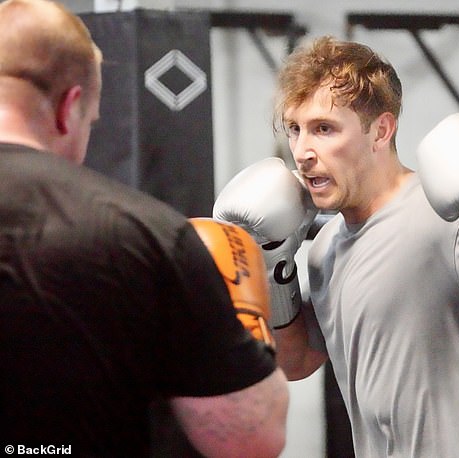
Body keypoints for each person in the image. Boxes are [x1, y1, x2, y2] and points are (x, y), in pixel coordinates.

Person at [213, 36, 459, 457]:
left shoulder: (448, 221)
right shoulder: (326, 248)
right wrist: (273, 264)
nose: (303, 152)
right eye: (295, 129)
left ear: (381, 130)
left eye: (324, 129)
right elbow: (295, 363)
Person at [0, 1, 288, 456]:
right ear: (69, 108)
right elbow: (249, 437)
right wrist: (247, 321)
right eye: (89, 125)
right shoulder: (145, 235)